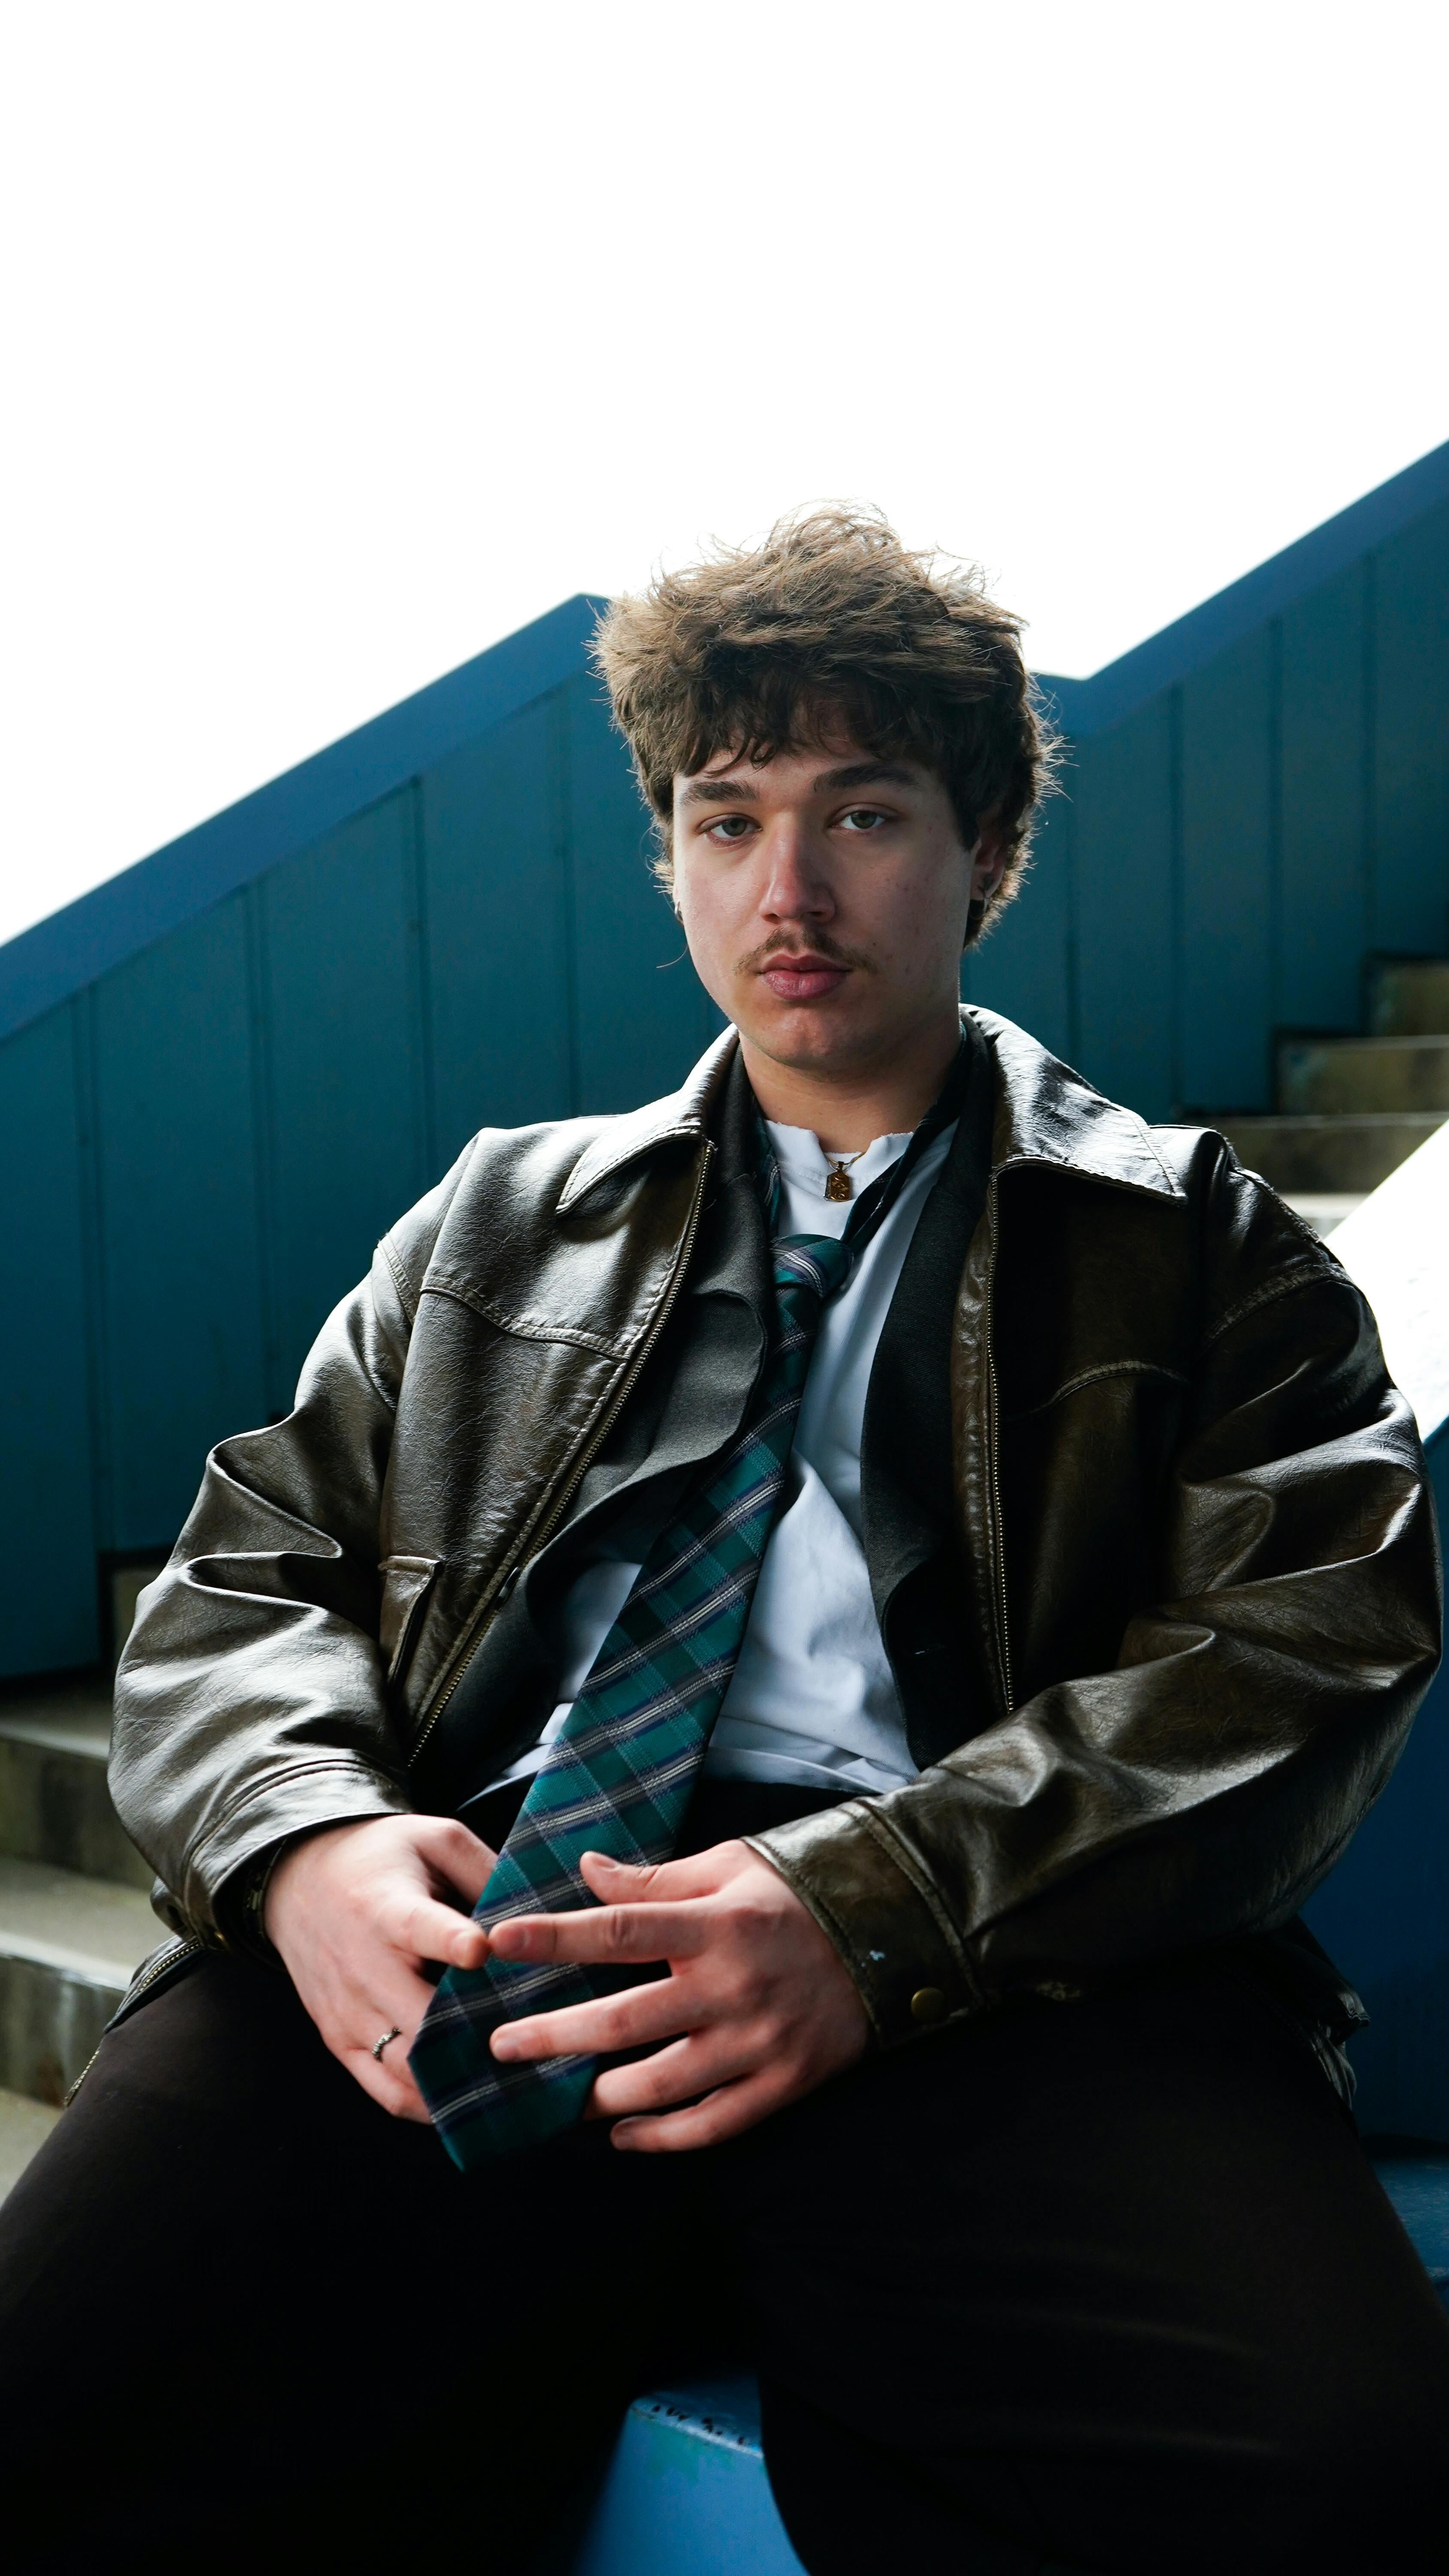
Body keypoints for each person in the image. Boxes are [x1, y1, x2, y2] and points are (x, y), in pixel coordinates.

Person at [2, 509, 1446, 2575]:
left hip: (991, 1951)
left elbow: (1305, 1645)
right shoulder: (498, 1218)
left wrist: (872, 1911)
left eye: (861, 813)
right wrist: (301, 1834)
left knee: (1343, 2475)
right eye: (728, 818)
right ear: (671, 855)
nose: (790, 889)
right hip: (506, 1915)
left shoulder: (1199, 1243)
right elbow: (253, 1572)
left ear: (981, 847)